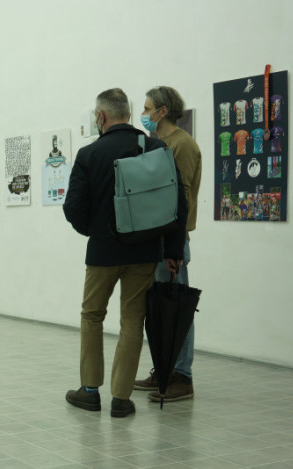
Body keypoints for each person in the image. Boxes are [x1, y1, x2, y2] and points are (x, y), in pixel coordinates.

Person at [63, 88, 187, 418]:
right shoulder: (156, 148)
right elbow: (177, 202)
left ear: (101, 116)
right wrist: (173, 250)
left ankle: (90, 391)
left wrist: (95, 231)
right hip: (144, 251)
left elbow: (73, 207)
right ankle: (121, 397)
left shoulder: (90, 154)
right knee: (133, 319)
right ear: (129, 114)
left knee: (92, 315)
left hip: (102, 253)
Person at [134, 86, 202, 402]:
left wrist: (172, 245)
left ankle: (181, 376)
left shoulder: (182, 145)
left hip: (171, 241)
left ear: (162, 111)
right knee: (160, 308)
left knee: (177, 308)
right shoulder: (158, 144)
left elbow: (180, 199)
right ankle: (163, 370)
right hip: (155, 238)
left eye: (148, 108)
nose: (144, 114)